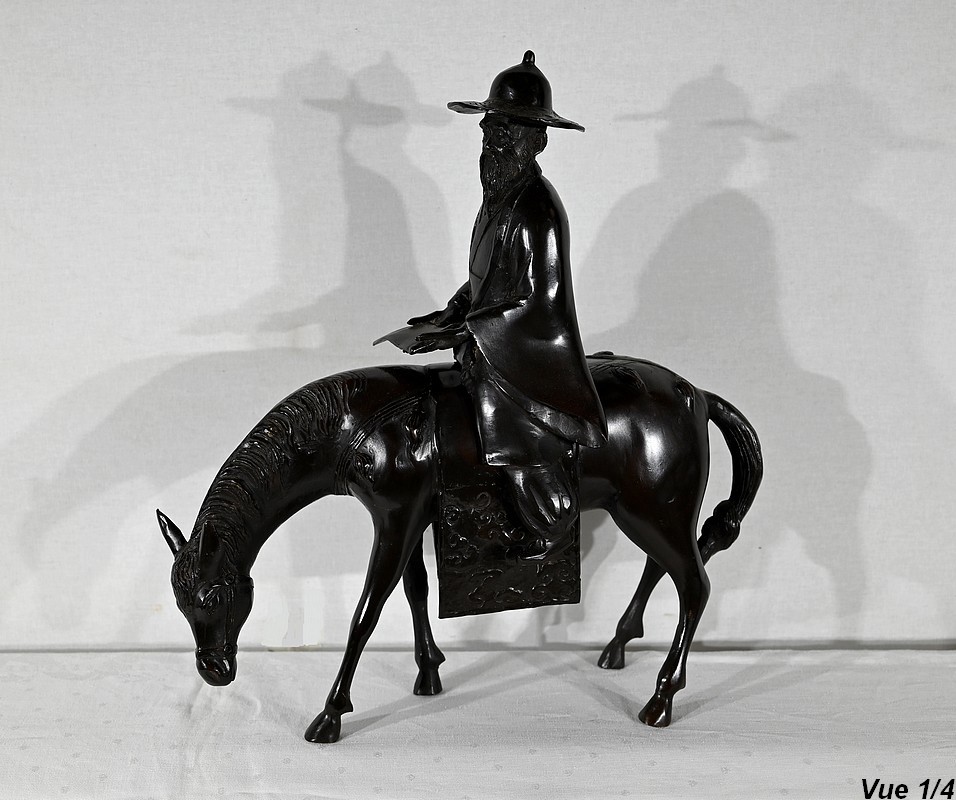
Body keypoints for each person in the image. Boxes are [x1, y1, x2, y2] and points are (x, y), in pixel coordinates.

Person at [403, 51, 606, 560]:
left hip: (528, 350)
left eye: (509, 132)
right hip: (492, 336)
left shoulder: (537, 208)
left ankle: (545, 514)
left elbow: (538, 298)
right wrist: (450, 314)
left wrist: (469, 330)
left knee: (510, 429)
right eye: (490, 130)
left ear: (538, 141)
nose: (495, 141)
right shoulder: (498, 198)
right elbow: (488, 281)